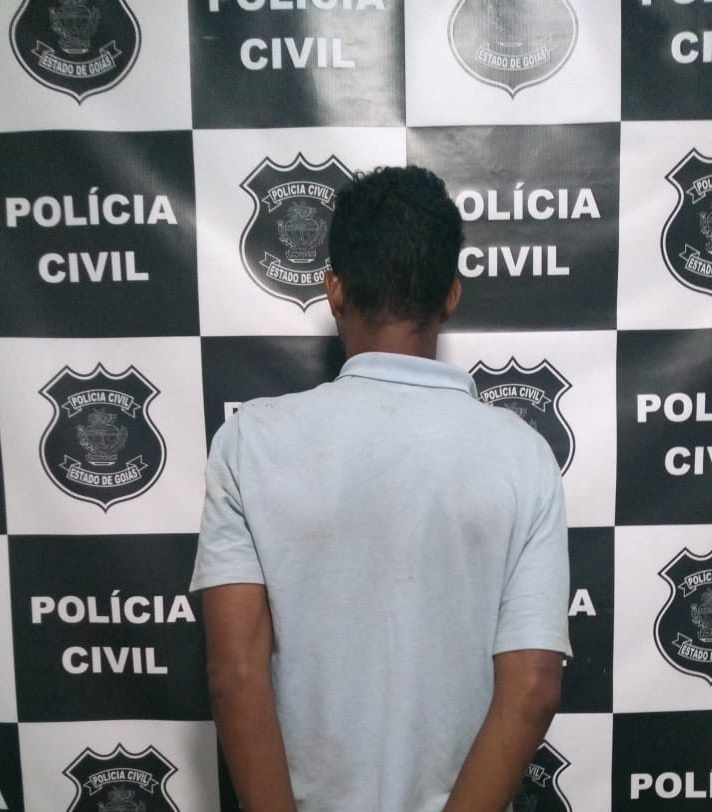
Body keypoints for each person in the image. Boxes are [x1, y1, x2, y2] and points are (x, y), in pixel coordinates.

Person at [190, 165, 571, 812]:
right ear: (450, 294)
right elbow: (532, 688)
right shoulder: (523, 456)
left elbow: (234, 674)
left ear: (333, 289)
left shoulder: (249, 442)